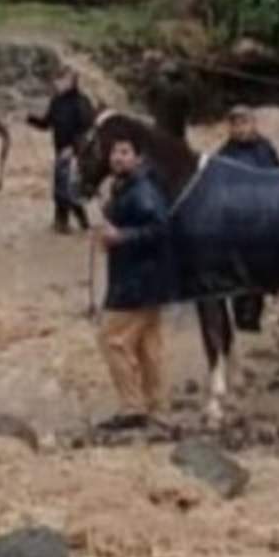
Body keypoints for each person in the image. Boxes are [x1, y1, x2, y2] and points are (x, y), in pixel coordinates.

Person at [97, 133, 174, 414]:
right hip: (149, 280)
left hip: (137, 281)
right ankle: (156, 403)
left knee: (112, 340)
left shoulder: (142, 191)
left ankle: (132, 408)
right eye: (114, 152)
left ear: (138, 158)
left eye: (125, 152)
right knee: (147, 344)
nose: (117, 157)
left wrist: (121, 237)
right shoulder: (129, 186)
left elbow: (161, 230)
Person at [214, 105, 279, 332]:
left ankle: (254, 317)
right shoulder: (223, 155)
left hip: (264, 221)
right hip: (236, 225)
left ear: (253, 123)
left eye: (244, 122)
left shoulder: (266, 148)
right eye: (235, 123)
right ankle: (243, 319)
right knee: (239, 276)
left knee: (261, 274)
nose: (239, 128)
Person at [29, 66, 96, 234]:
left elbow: (88, 131)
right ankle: (61, 224)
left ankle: (84, 225)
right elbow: (46, 124)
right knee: (59, 190)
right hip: (59, 152)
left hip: (77, 153)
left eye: (60, 79)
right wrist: (29, 119)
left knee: (70, 190)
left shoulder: (82, 102)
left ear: (71, 81)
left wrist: (73, 148)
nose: (56, 83)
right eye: (56, 80)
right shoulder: (56, 101)